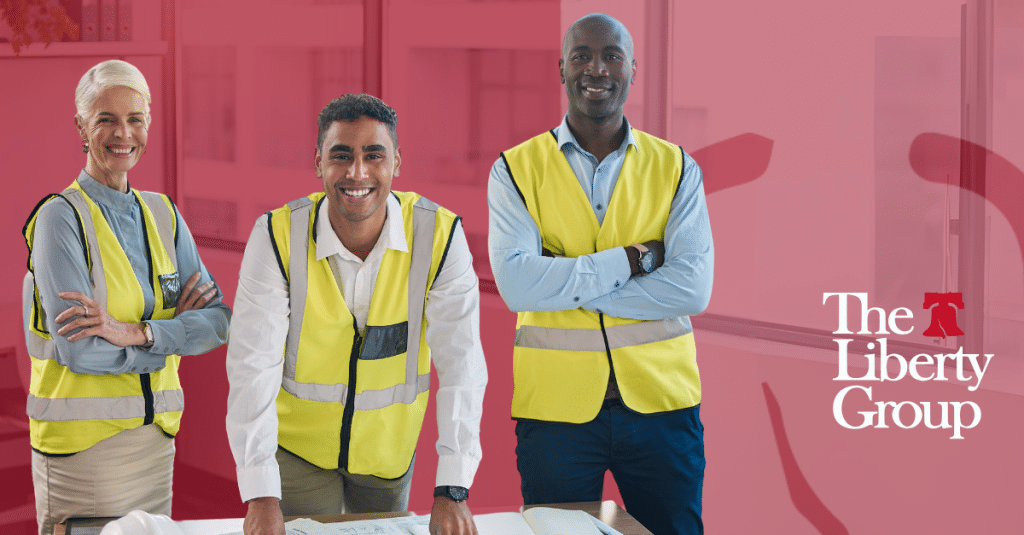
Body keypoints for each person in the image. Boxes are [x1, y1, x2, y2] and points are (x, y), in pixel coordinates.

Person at [487, 13, 713, 535]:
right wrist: (632, 261)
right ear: (561, 68)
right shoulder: (516, 170)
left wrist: (565, 284)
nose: (597, 68)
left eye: (611, 55)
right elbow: (519, 285)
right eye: (582, 55)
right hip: (555, 415)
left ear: (632, 69)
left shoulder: (676, 168)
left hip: (663, 408)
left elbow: (692, 288)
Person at [226, 93, 486, 535]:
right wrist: (261, 493)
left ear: (397, 162)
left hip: (387, 456)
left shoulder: (440, 236)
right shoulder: (276, 236)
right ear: (318, 162)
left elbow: (462, 366)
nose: (357, 173)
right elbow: (253, 368)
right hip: (297, 454)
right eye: (341, 156)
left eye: (374, 156)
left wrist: (453, 489)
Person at [22, 59, 231, 535]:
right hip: (85, 452)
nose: (123, 133)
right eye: (106, 120)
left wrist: (135, 333)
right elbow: (81, 351)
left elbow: (220, 322)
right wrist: (173, 339)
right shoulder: (60, 219)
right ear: (81, 126)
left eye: (135, 119)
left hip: (156, 442)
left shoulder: (164, 214)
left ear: (149, 124)